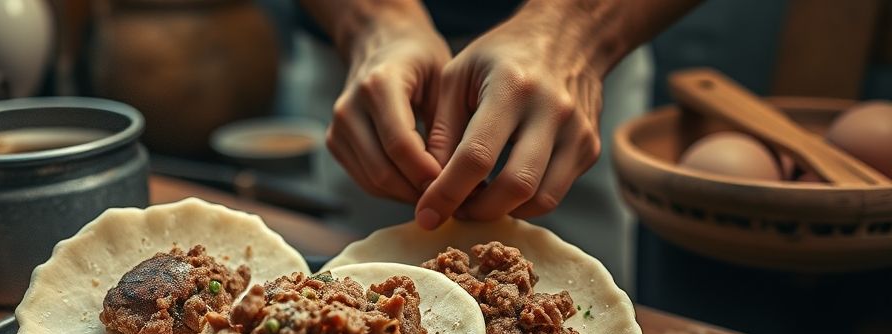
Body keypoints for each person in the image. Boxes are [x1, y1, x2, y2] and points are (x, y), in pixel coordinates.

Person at [290, 0, 702, 292]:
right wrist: (370, 19)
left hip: (587, 56)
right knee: (352, 298)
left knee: (575, 297)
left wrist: (579, 23)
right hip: (361, 61)